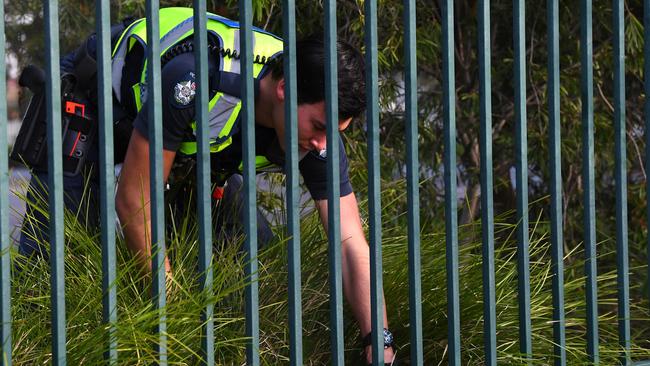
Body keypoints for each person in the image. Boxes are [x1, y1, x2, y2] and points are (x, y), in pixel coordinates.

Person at [15, 7, 396, 364]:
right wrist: (175, 317)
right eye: (319, 128)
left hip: (183, 143)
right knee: (54, 265)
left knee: (251, 252)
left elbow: (349, 242)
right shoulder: (199, 78)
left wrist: (377, 338)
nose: (323, 145)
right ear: (285, 89)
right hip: (99, 99)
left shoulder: (316, 121)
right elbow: (134, 203)